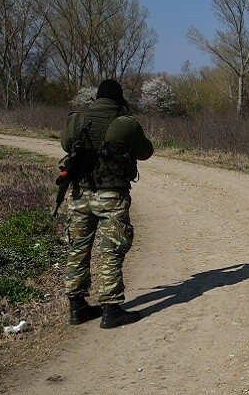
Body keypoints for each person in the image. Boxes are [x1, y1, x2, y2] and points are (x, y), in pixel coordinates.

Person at [60, 79, 154, 329]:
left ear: (96, 99)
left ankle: (77, 308)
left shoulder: (76, 121)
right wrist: (128, 119)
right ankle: (111, 309)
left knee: (78, 248)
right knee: (111, 250)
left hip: (79, 195)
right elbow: (146, 152)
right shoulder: (124, 124)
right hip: (111, 197)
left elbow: (65, 145)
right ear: (119, 100)